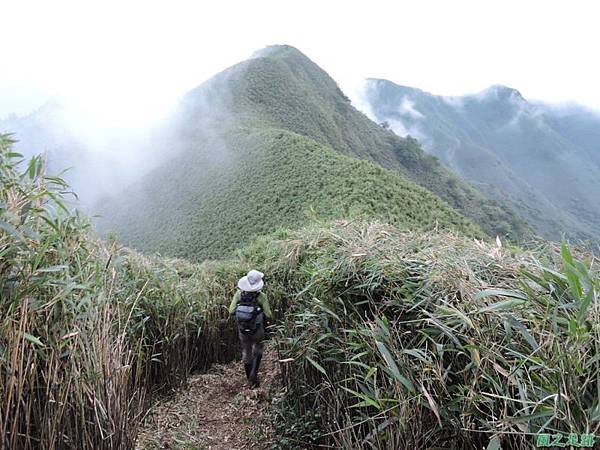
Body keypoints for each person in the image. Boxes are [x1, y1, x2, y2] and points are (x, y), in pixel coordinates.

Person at [229, 269, 272, 387]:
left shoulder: (238, 294)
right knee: (258, 349)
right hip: (257, 330)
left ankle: (249, 378)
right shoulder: (261, 296)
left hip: (242, 330)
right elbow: (269, 315)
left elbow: (231, 311)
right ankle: (254, 373)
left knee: (246, 351)